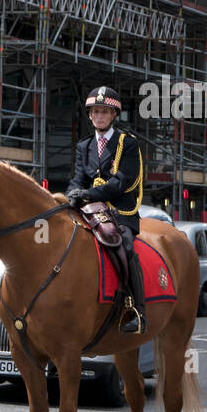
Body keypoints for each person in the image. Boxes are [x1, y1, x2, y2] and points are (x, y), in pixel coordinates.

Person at [65, 86, 147, 334]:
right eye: (95, 112)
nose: (99, 116)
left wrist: (88, 194)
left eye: (105, 112)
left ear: (113, 115)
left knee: (127, 246)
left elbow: (122, 182)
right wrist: (71, 195)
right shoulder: (84, 146)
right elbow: (78, 178)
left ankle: (138, 310)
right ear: (90, 115)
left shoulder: (127, 144)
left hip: (120, 209)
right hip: (91, 209)